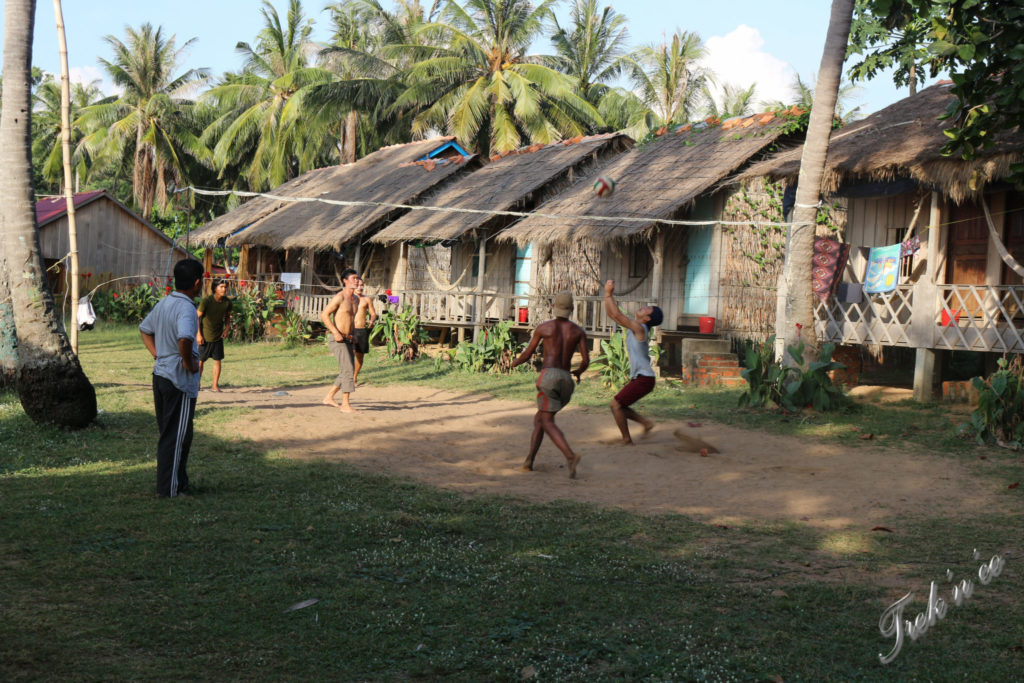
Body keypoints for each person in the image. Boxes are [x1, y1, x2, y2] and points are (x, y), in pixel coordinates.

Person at [139, 259, 204, 497]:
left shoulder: (164, 303)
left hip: (161, 375)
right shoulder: (186, 308)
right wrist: (189, 364)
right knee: (176, 436)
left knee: (173, 433)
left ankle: (179, 481)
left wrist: (159, 355)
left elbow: (145, 330)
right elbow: (185, 338)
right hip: (178, 379)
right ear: (197, 283)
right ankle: (169, 489)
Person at [510, 291, 589, 479]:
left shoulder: (544, 328)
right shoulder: (578, 332)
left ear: (554, 307)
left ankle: (570, 456)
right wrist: (577, 372)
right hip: (566, 381)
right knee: (540, 420)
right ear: (571, 309)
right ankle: (529, 462)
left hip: (549, 378)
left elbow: (528, 353)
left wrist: (513, 363)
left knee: (546, 421)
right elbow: (586, 361)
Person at [603, 279, 663, 445]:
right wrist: (607, 295)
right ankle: (646, 423)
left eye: (646, 309)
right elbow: (612, 315)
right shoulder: (637, 326)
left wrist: (608, 293)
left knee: (615, 405)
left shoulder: (639, 328)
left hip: (644, 379)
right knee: (620, 405)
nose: (642, 308)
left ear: (647, 318)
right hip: (641, 378)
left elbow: (616, 315)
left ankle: (626, 439)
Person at [321, 268, 361, 413]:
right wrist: (335, 332)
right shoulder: (339, 297)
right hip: (337, 339)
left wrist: (355, 333)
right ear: (345, 281)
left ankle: (329, 397)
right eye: (354, 278)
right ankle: (345, 404)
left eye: (358, 278)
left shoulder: (356, 299)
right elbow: (324, 315)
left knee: (346, 370)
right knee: (349, 370)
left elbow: (351, 320)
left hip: (349, 339)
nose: (356, 281)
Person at [196, 279, 232, 392]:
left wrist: (226, 329)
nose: (224, 289)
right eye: (221, 286)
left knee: (217, 360)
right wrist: (198, 334)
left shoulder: (227, 302)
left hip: (218, 336)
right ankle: (196, 384)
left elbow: (227, 316)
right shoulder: (206, 301)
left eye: (225, 287)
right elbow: (197, 317)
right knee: (200, 361)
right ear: (214, 289)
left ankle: (215, 385)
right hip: (205, 336)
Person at [352, 278, 378, 386]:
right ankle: (347, 377)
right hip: (350, 330)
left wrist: (372, 320)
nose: (360, 287)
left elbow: (373, 313)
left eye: (362, 285)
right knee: (349, 354)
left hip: (362, 330)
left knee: (360, 356)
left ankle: (354, 377)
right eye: (358, 285)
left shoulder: (366, 299)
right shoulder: (347, 299)